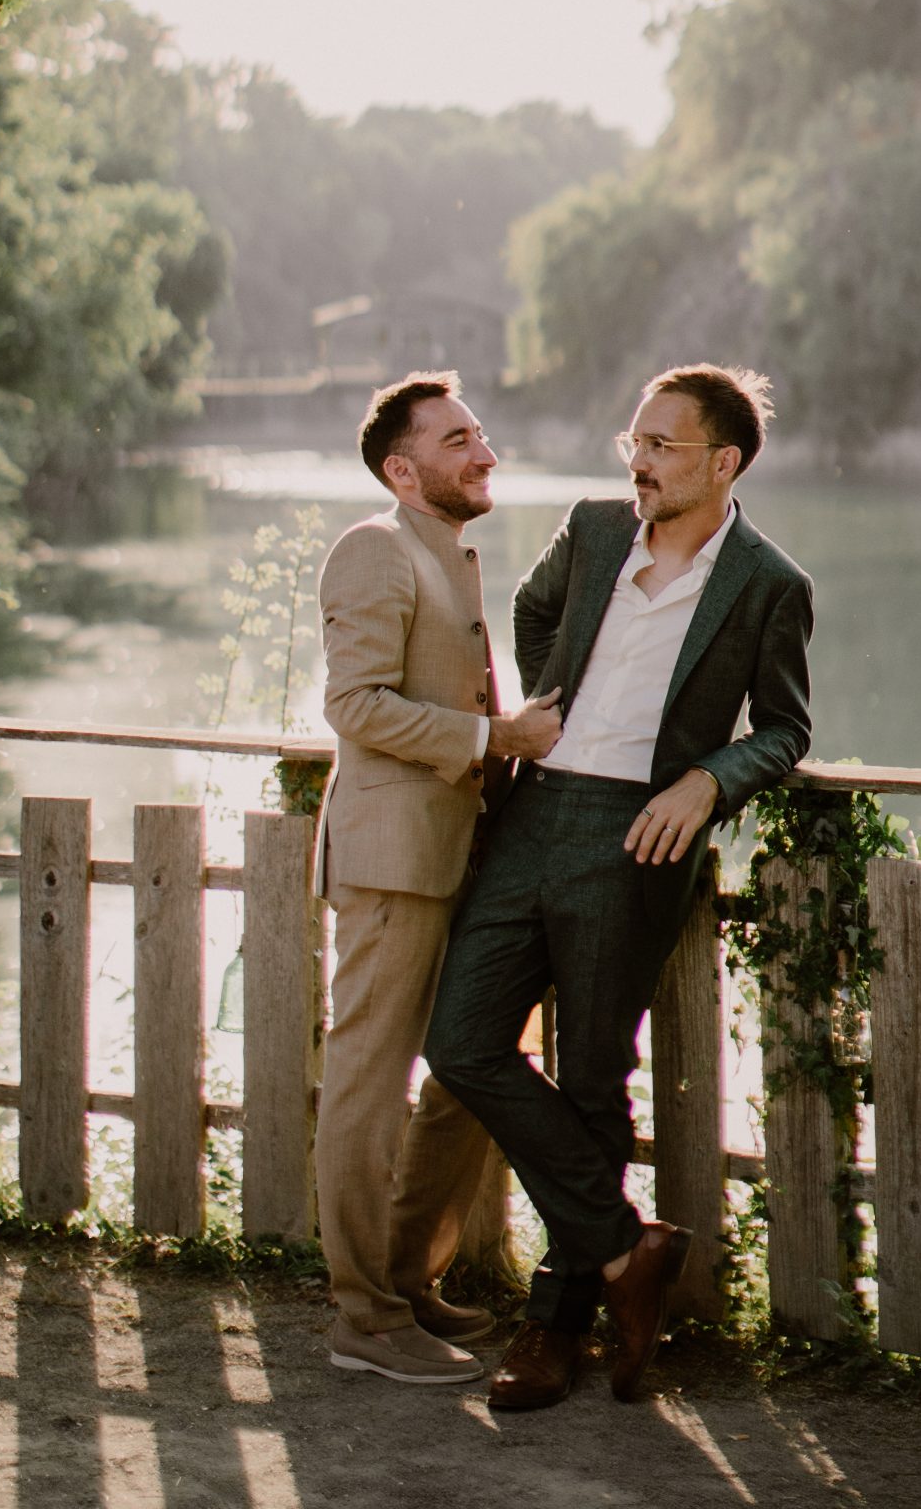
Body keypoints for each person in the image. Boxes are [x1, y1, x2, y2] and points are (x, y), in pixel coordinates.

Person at [425, 361, 813, 1411]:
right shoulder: (595, 529)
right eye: (632, 442)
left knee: (593, 1080)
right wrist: (549, 703)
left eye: (659, 446)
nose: (637, 462)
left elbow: (784, 728)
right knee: (460, 1041)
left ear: (721, 463)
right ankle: (622, 1249)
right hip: (533, 812)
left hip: (637, 837)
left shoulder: (768, 584)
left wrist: (707, 779)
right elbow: (531, 605)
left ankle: (554, 1328)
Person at [313, 370, 565, 1386]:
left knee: (467, 1064)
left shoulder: (444, 553)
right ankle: (364, 1320)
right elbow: (354, 704)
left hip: (455, 857)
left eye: (481, 433)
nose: (485, 452)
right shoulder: (373, 549)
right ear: (402, 469)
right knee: (369, 1088)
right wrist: (495, 735)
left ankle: (406, 1281)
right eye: (458, 439)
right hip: (392, 865)